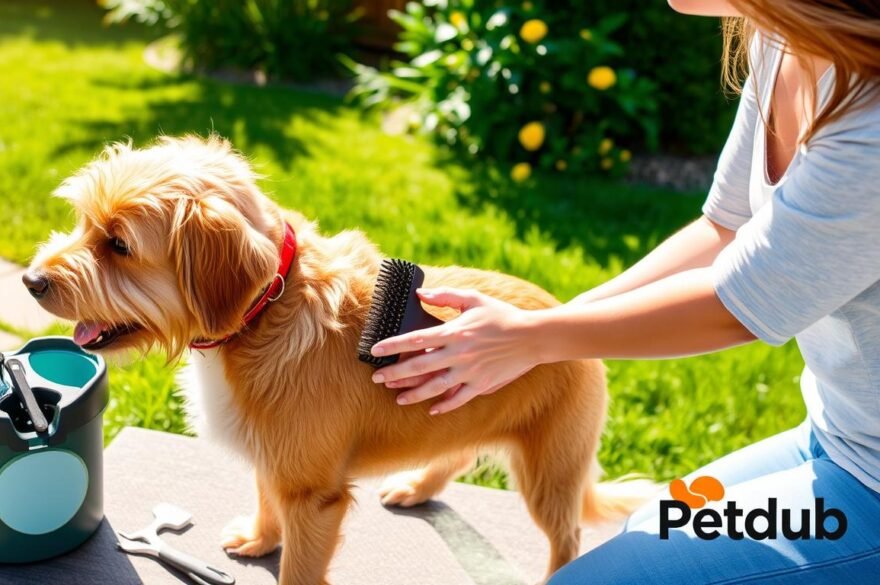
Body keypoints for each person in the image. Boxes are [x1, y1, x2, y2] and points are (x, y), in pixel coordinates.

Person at [369, 1, 880, 582]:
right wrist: (536, 328)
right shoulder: (780, 42)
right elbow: (726, 230)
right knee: (645, 530)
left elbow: (740, 302)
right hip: (834, 438)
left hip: (872, 485)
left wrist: (536, 338)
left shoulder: (872, 126)